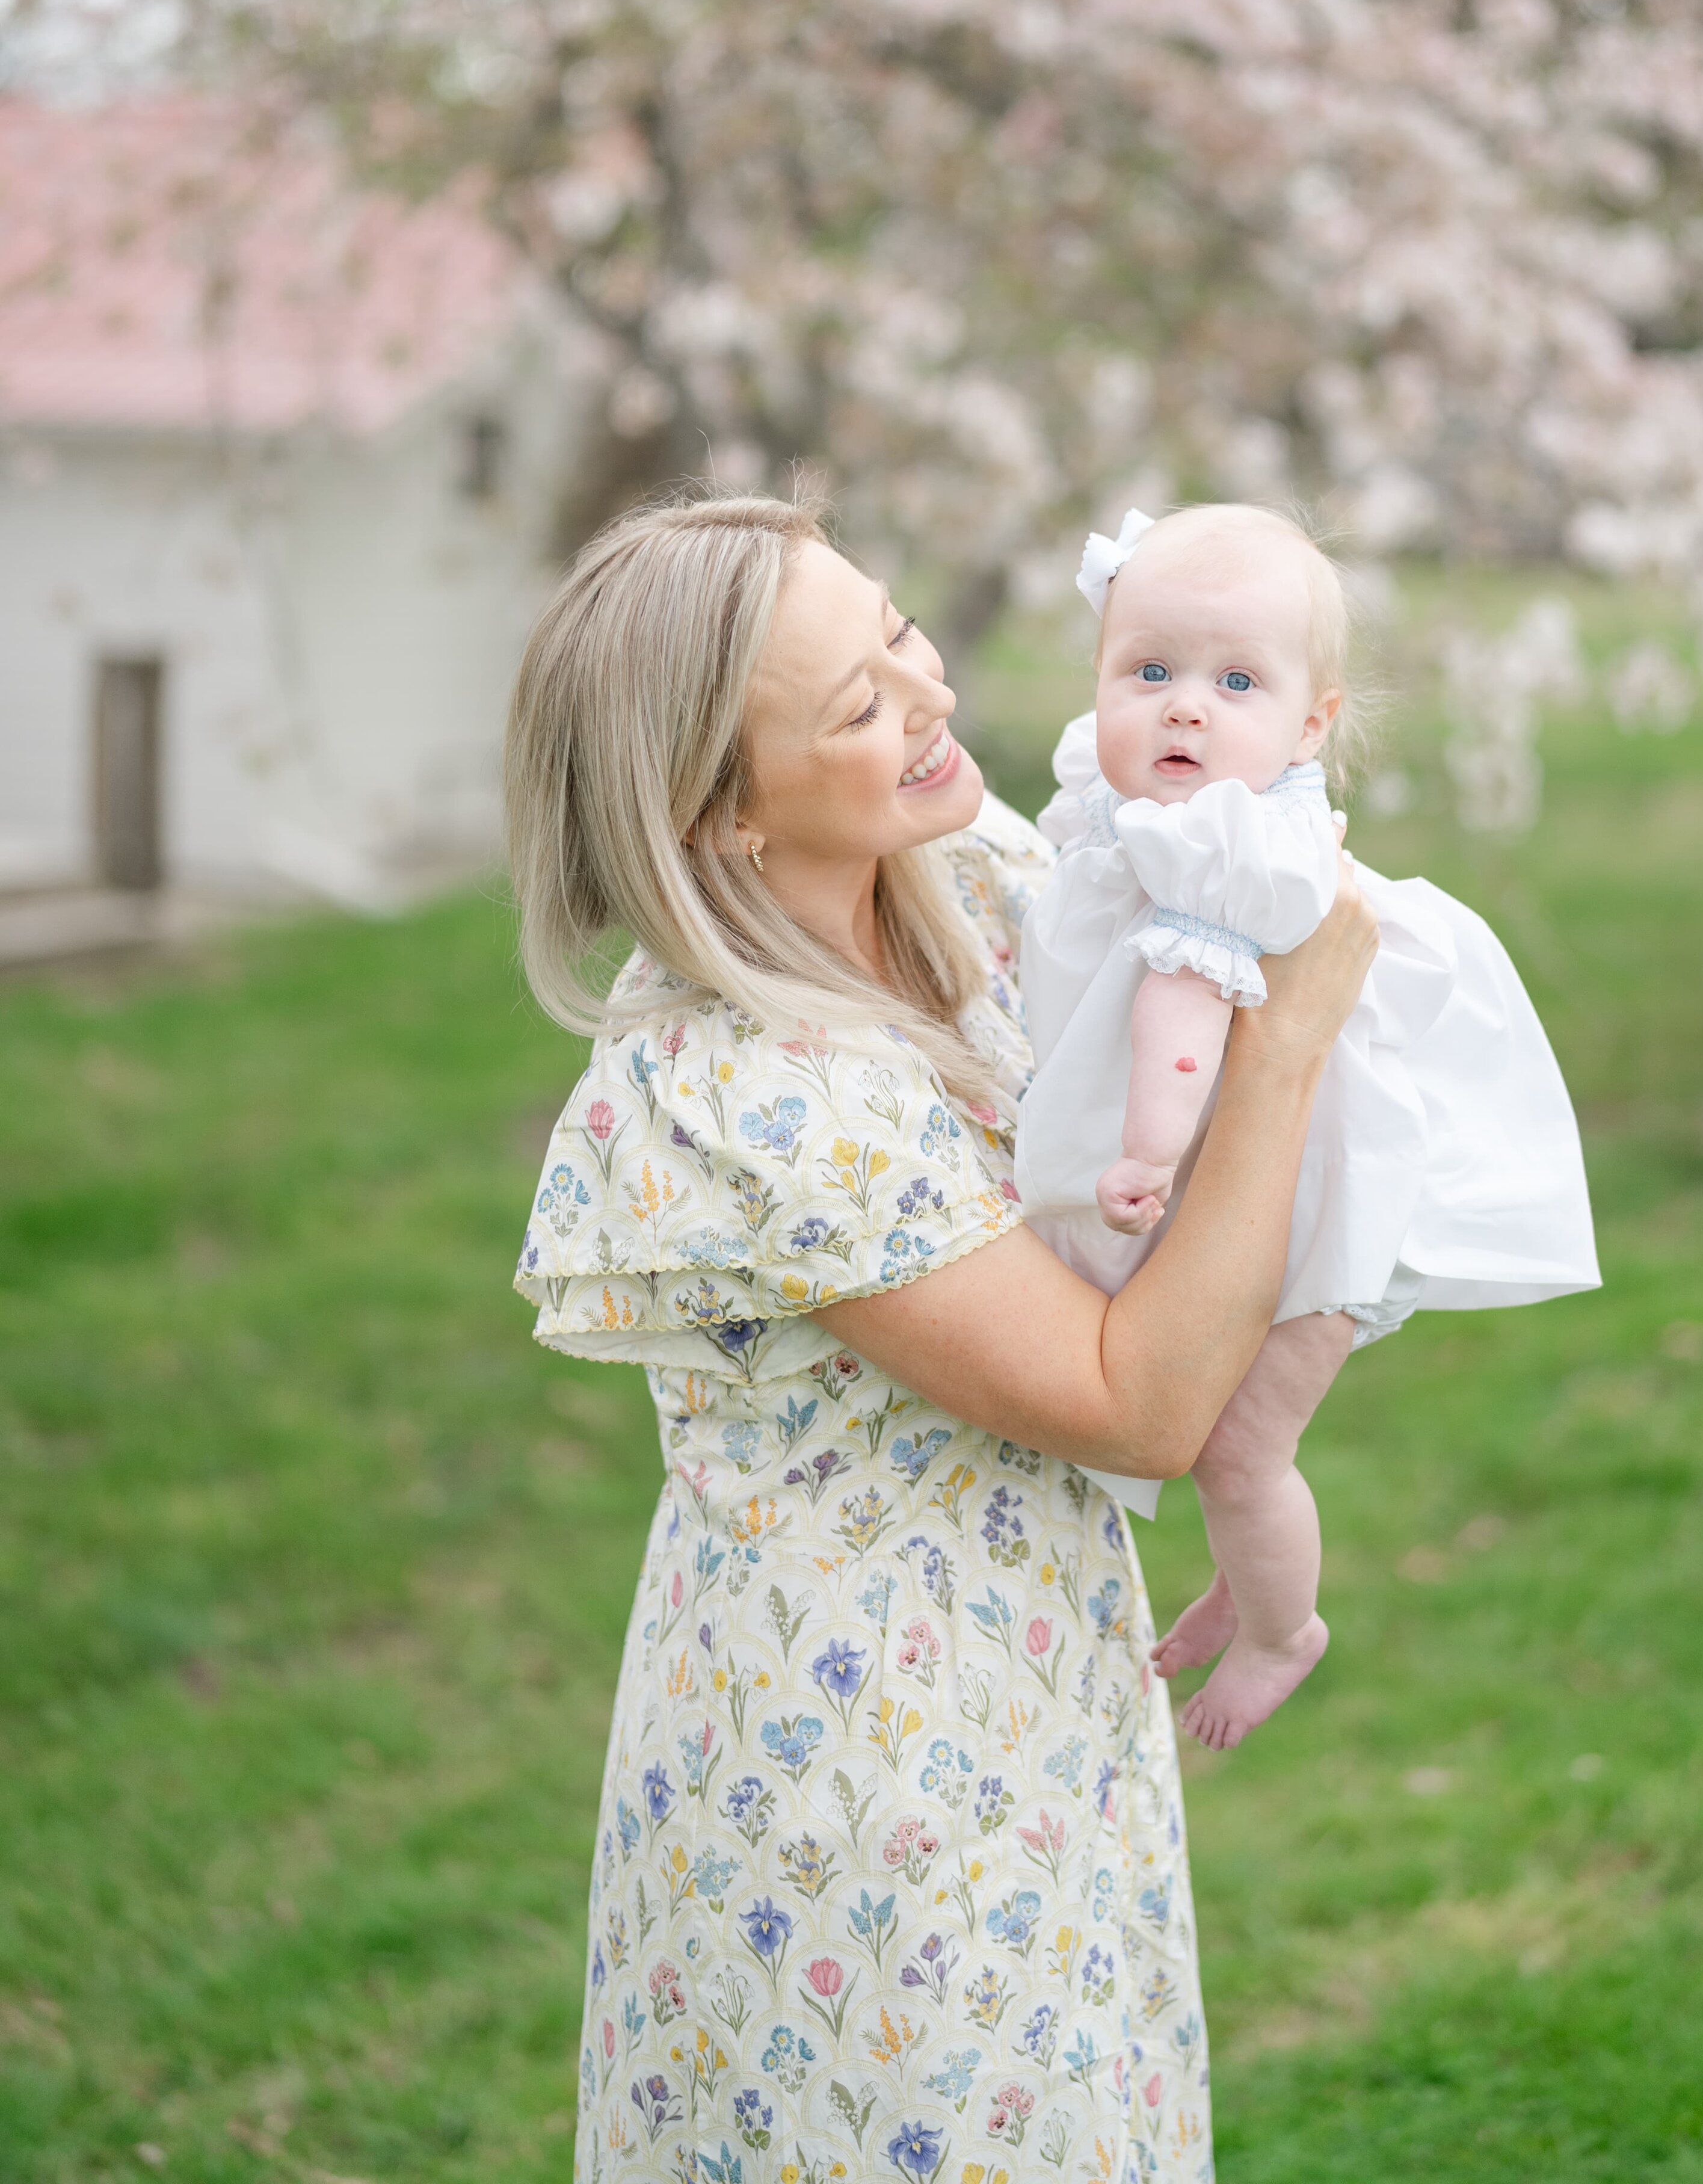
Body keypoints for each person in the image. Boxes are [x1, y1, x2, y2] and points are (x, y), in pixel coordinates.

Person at [505, 491, 1378, 2184]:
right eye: (859, 706)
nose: (933, 698)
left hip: (1041, 1671)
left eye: (901, 633)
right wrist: (1285, 1045)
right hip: (862, 1763)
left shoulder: (971, 872)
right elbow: (1134, 1405)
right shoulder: (747, 1088)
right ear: (723, 815)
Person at [1015, 504, 1598, 1754]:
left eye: (1235, 682)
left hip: (1325, 1206)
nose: (1184, 708)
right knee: (1234, 1456)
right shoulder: (1132, 813)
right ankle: (1250, 1568)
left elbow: (1180, 1015)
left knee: (1237, 1452)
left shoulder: (1231, 855)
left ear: (1309, 724)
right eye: (1149, 671)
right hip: (1270, 1197)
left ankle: (1286, 1632)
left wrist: (1149, 1155)